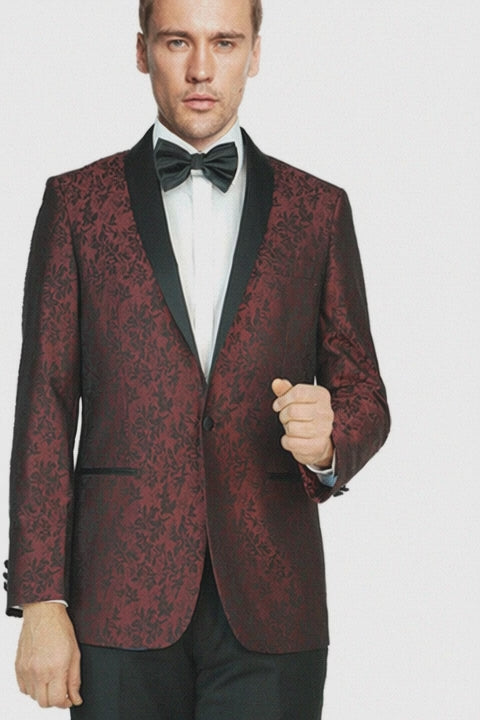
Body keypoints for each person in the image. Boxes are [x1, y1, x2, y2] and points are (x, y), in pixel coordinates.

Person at [5, 0, 390, 717]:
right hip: (115, 603)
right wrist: (40, 599)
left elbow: (363, 389)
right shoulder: (77, 206)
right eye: (179, 42)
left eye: (226, 42)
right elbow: (44, 409)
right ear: (142, 51)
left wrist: (331, 439)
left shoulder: (318, 209)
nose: (202, 69)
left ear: (256, 53)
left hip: (274, 605)